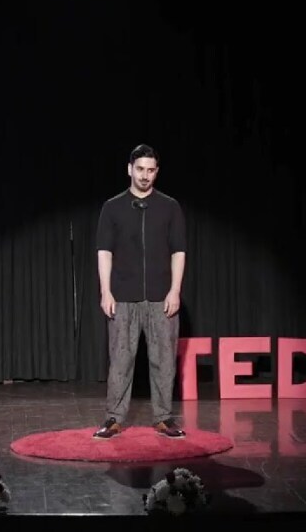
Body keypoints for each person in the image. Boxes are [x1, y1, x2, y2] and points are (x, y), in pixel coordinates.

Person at [93, 144, 187, 439]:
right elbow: (104, 251)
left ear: (156, 172)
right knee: (120, 359)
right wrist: (106, 291)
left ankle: (163, 418)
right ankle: (113, 418)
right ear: (129, 169)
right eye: (140, 169)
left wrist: (175, 290)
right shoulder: (112, 207)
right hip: (123, 296)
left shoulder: (170, 206)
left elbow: (179, 251)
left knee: (164, 359)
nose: (145, 175)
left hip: (161, 296)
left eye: (150, 170)